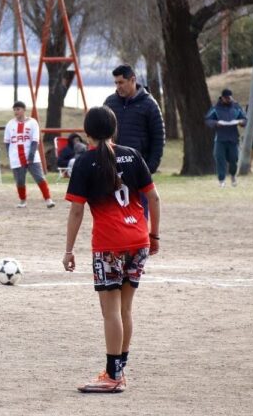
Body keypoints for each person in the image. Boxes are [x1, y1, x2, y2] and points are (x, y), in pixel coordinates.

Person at [63, 106, 161, 393]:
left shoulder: (85, 161)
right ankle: (118, 371)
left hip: (109, 244)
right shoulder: (132, 154)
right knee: (125, 309)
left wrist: (68, 250)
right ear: (114, 128)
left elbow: (76, 212)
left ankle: (112, 376)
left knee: (111, 313)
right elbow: (153, 198)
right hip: (139, 238)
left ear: (87, 132)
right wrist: (153, 235)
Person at [104, 64, 164, 216]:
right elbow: (101, 134)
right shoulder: (110, 103)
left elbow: (158, 139)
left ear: (133, 80)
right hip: (112, 172)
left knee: (140, 219)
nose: (118, 87)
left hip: (138, 173)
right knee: (114, 218)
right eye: (116, 83)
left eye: (121, 82)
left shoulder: (150, 105)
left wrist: (149, 169)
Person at [4, 101, 55, 208]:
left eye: (18, 109)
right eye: (14, 109)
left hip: (31, 155)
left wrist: (31, 154)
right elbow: (7, 142)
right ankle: (22, 201)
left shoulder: (32, 122)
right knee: (20, 181)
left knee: (39, 177)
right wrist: (9, 154)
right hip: (16, 156)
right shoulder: (10, 124)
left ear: (23, 110)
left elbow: (35, 140)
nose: (16, 112)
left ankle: (48, 199)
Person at [205, 88, 247, 187]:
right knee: (219, 158)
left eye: (230, 98)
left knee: (234, 158)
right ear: (222, 98)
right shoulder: (215, 108)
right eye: (226, 98)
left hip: (233, 138)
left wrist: (241, 122)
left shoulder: (236, 107)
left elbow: (245, 119)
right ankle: (221, 180)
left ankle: (233, 175)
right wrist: (216, 123)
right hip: (220, 138)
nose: (228, 100)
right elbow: (208, 119)